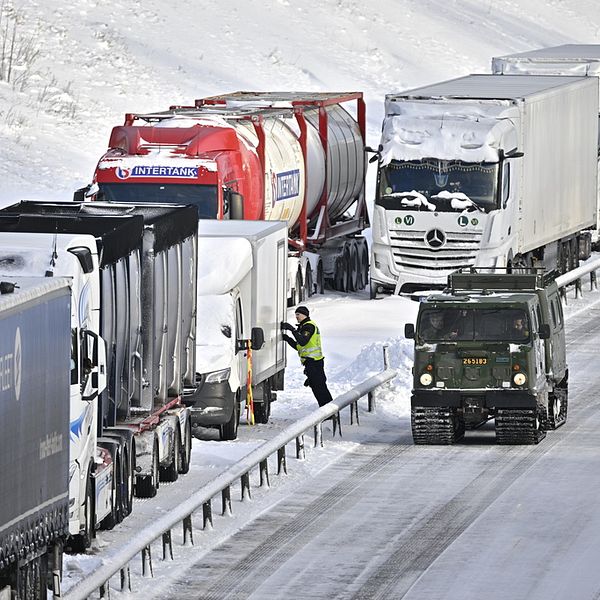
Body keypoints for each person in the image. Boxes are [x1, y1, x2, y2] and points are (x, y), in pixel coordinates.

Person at [281, 306, 333, 407]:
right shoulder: (304, 326)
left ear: (304, 315)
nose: (296, 317)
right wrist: (287, 339)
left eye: (298, 314)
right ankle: (326, 409)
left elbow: (303, 341)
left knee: (319, 387)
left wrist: (292, 329)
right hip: (311, 363)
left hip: (314, 362)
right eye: (295, 314)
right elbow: (299, 347)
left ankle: (328, 410)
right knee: (317, 387)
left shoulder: (309, 326)